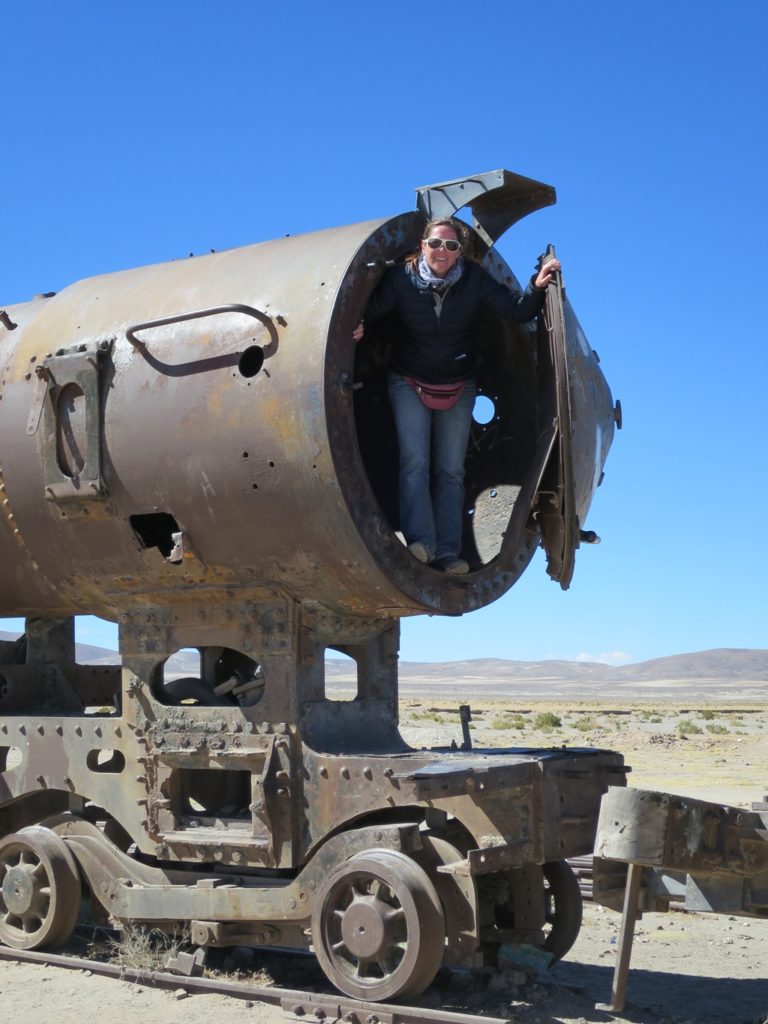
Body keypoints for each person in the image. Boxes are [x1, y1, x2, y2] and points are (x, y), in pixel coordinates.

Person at [354, 218, 560, 575]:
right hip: (408, 381)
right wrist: (357, 325)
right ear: (422, 245)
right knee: (415, 464)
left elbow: (517, 310)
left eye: (451, 246)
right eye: (436, 244)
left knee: (451, 471)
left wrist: (537, 286)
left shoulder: (474, 280)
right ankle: (421, 544)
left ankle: (448, 554)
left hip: (457, 386)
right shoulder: (402, 281)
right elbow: (369, 313)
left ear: (459, 252)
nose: (442, 252)